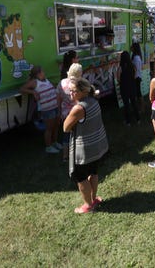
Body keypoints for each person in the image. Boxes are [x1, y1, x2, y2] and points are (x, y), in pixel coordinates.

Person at [63, 77, 109, 213]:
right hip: (97, 147)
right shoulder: (94, 101)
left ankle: (88, 205)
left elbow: (65, 127)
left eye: (73, 91)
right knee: (93, 173)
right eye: (69, 91)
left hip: (84, 151)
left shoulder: (78, 108)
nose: (70, 94)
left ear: (83, 91)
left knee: (81, 178)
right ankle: (93, 199)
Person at [20, 66, 61, 154]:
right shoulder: (34, 82)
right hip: (47, 109)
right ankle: (48, 147)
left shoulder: (46, 80)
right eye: (42, 71)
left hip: (55, 106)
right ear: (38, 74)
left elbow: (53, 87)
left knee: (56, 126)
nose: (44, 73)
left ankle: (55, 142)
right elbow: (22, 89)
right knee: (49, 128)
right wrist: (33, 92)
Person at [58, 63, 84, 160]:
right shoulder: (79, 84)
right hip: (76, 112)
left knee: (66, 133)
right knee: (78, 134)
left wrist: (59, 111)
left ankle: (65, 155)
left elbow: (58, 98)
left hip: (65, 113)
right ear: (79, 73)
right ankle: (77, 154)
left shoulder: (62, 82)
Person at [116, 51, 140, 125]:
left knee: (126, 105)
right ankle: (138, 119)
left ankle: (128, 121)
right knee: (134, 103)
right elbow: (135, 75)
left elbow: (118, 78)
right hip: (132, 86)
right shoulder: (133, 66)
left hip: (124, 88)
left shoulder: (120, 67)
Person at [131, 42, 144, 109]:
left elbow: (135, 69)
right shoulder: (138, 56)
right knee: (138, 92)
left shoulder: (136, 58)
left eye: (132, 47)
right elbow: (141, 67)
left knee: (138, 93)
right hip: (138, 76)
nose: (131, 48)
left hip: (136, 77)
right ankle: (140, 106)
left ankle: (141, 107)